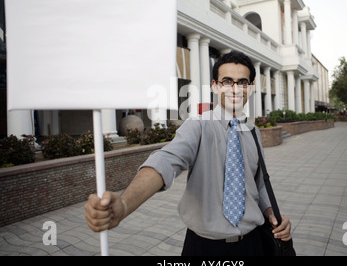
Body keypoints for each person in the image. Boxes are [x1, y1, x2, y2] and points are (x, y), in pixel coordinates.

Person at [84, 50, 292, 255]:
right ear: (215, 86)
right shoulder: (198, 126)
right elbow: (167, 160)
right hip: (204, 247)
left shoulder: (253, 133)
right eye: (227, 81)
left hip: (252, 244)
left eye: (242, 82)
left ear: (251, 88)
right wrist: (124, 203)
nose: (235, 88)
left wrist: (271, 212)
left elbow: (259, 185)